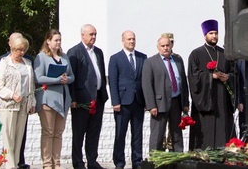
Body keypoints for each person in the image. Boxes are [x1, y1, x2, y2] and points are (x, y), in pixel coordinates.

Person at [187, 19, 234, 149]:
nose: (214, 36)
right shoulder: (196, 54)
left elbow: (235, 73)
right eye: (211, 33)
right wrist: (210, 76)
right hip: (205, 100)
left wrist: (228, 77)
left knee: (223, 130)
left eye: (216, 33)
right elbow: (193, 76)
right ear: (205, 35)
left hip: (222, 99)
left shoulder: (225, 53)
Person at [68, 24, 108, 169]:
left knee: (94, 132)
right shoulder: (74, 52)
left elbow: (101, 73)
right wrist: (72, 99)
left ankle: (92, 160)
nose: (93, 37)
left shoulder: (98, 52)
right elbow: (72, 78)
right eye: (91, 34)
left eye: (95, 34)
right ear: (82, 35)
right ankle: (78, 162)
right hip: (81, 100)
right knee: (79, 132)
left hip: (98, 98)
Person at [0, 35, 37, 169]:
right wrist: (12, 95)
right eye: (18, 50)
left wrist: (32, 102)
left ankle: (16, 163)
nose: (21, 53)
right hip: (9, 105)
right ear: (12, 48)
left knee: (19, 138)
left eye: (23, 50)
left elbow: (31, 85)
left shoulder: (27, 64)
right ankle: (10, 165)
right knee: (9, 137)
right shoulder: (4, 63)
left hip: (23, 105)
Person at [34, 29, 74, 169]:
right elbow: (38, 77)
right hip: (48, 100)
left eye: (60, 40)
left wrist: (66, 79)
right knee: (48, 132)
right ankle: (47, 164)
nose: (58, 42)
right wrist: (56, 79)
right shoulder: (41, 57)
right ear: (48, 41)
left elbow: (72, 76)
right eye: (56, 40)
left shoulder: (64, 57)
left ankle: (56, 163)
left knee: (58, 133)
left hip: (63, 99)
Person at [142, 33, 190, 151]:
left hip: (176, 101)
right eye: (162, 46)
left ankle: (178, 157)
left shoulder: (178, 60)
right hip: (159, 104)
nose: (165, 48)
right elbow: (147, 85)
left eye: (167, 45)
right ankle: (155, 159)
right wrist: (151, 105)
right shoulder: (151, 62)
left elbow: (183, 81)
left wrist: (185, 102)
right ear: (158, 47)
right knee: (157, 134)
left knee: (176, 133)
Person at [109, 30, 147, 169]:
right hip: (122, 102)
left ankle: (137, 161)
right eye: (129, 39)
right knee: (120, 133)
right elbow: (113, 81)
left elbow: (145, 80)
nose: (131, 41)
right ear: (123, 40)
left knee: (137, 134)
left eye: (133, 39)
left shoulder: (142, 57)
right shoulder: (115, 58)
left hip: (138, 101)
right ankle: (119, 162)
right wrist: (115, 101)